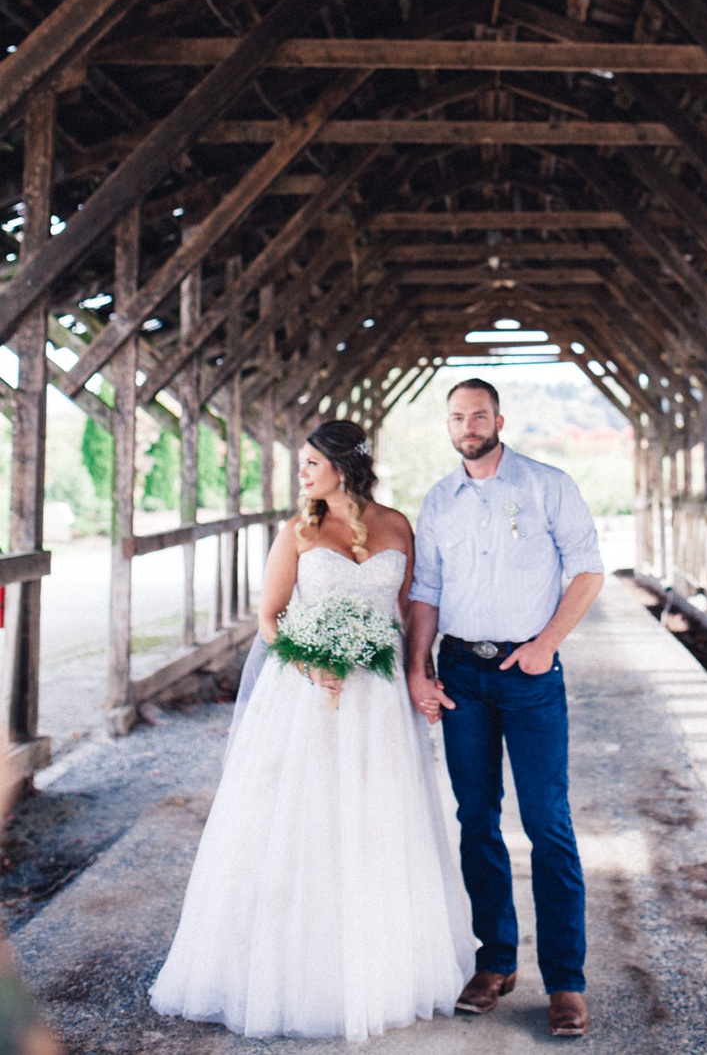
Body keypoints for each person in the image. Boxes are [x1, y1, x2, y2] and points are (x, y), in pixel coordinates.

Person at [150, 420, 474, 1041]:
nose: (302, 473)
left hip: (378, 702)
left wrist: (418, 675)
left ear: (344, 465)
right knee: (302, 822)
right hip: (307, 695)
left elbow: (407, 613)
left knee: (379, 821)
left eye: (310, 462)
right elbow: (269, 618)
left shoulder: (396, 526)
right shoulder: (297, 530)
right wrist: (308, 661)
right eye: (300, 463)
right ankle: (288, 970)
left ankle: (381, 968)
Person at [407, 379, 604, 1039]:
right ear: (450, 426)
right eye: (457, 417)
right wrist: (419, 666)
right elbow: (426, 592)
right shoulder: (439, 501)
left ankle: (566, 982)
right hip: (462, 672)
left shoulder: (548, 485)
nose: (469, 425)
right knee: (477, 819)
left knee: (548, 823)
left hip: (530, 672)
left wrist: (547, 645)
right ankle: (495, 962)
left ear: (499, 419)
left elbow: (588, 571)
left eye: (479, 414)